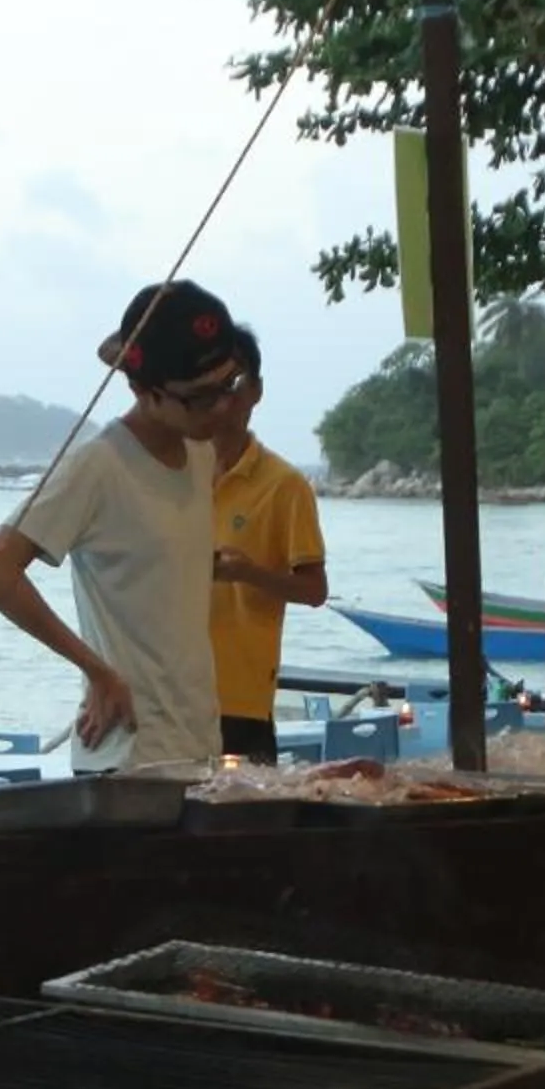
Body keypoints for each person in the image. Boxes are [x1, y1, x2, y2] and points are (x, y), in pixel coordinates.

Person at [0, 281, 238, 773]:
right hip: (128, 754)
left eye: (229, 386)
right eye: (200, 398)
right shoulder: (97, 464)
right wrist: (96, 670)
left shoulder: (200, 453)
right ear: (143, 389)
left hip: (198, 744)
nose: (221, 408)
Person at [203, 325, 328, 762]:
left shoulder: (284, 485)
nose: (221, 399)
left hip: (241, 699)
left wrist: (247, 571)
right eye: (208, 385)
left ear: (256, 391)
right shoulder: (172, 476)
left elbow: (314, 590)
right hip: (164, 697)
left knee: (239, 825)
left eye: (233, 384)